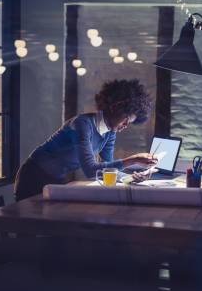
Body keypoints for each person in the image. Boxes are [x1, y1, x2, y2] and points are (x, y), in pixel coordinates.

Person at [14, 79, 157, 201]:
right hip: (33, 175)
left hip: (56, 179)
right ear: (115, 107)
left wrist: (131, 178)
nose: (126, 126)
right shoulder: (82, 124)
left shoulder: (109, 133)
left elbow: (108, 170)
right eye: (126, 120)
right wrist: (132, 160)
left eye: (129, 123)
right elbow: (90, 170)